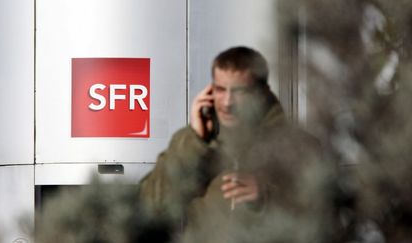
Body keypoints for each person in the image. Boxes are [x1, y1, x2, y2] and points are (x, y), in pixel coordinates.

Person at [138, 46, 326, 243]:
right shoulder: (192, 141)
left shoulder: (298, 145)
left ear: (261, 93)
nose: (227, 102)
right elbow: (151, 204)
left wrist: (265, 197)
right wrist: (195, 141)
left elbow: (323, 217)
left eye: (239, 91)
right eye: (220, 89)